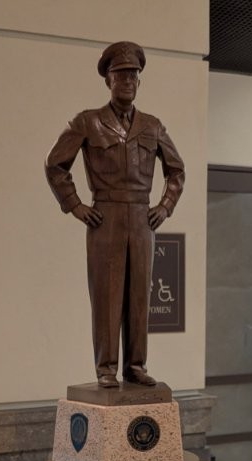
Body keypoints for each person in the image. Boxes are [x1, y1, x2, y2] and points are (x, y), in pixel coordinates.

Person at [45, 41, 185, 388]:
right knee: (107, 294)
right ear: (108, 80)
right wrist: (75, 204)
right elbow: (55, 164)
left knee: (140, 294)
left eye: (133, 76)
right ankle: (106, 367)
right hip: (104, 216)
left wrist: (164, 206)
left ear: (139, 81)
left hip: (141, 218)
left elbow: (177, 170)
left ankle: (135, 365)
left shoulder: (152, 126)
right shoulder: (87, 122)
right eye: (120, 75)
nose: (127, 81)